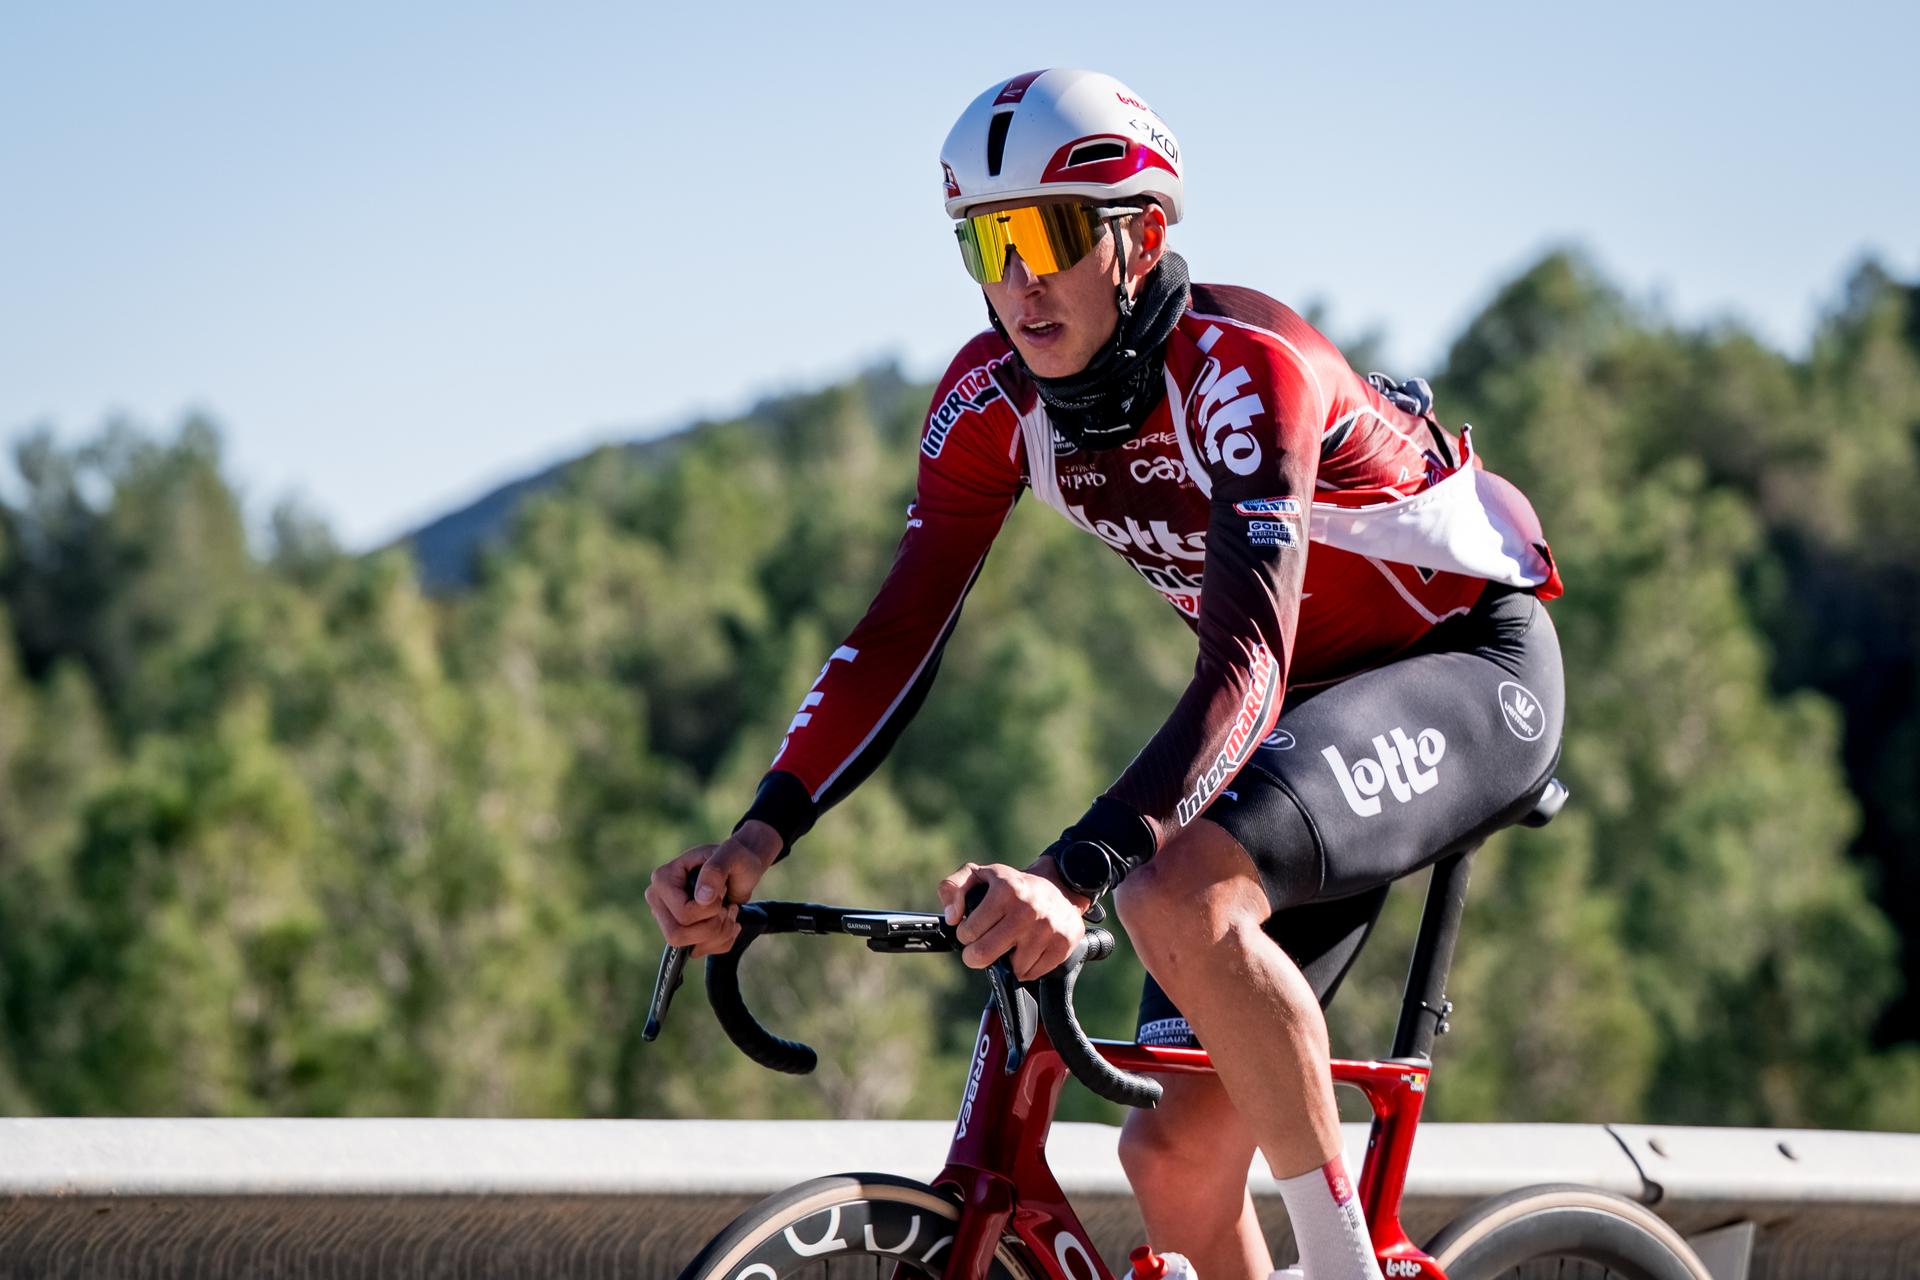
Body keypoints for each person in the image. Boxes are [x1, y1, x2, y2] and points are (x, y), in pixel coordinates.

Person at [646, 69, 1565, 1280]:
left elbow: (1245, 662)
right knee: (1171, 1158)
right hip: (1305, 722)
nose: (1017, 276)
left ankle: (1340, 1264)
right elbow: (893, 635)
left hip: (1462, 663)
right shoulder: (989, 405)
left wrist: (1073, 870)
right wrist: (759, 833)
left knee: (1171, 894)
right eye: (987, 238)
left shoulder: (1247, 369)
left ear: (1142, 238)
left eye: (1051, 235)